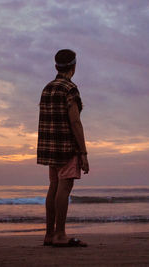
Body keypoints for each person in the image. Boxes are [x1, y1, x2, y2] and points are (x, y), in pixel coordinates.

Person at [37, 49, 89, 247]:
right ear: (73, 67)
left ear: (56, 66)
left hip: (49, 148)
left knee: (54, 187)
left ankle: (50, 234)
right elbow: (75, 122)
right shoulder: (70, 89)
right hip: (66, 148)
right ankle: (60, 234)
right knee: (64, 189)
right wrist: (83, 152)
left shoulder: (47, 89)